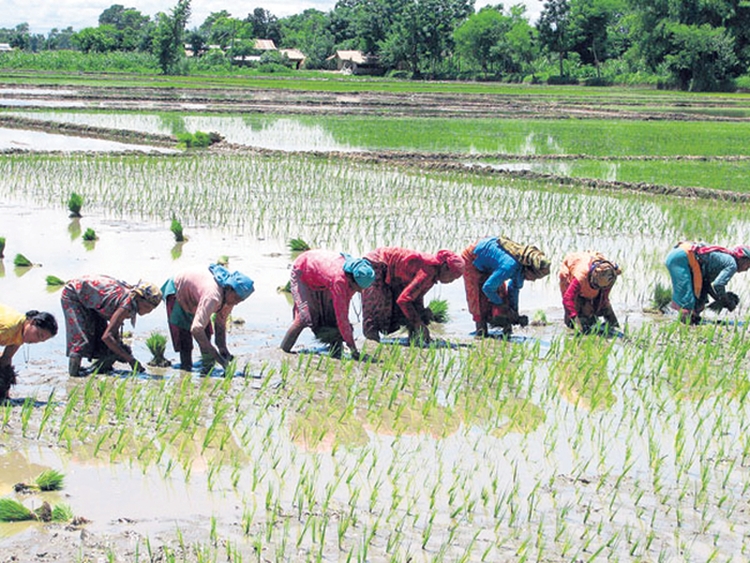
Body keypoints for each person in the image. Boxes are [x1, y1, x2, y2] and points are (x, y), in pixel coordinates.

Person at [281, 250, 375, 359]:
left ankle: (335, 352)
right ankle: (283, 351)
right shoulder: (339, 281)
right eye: (360, 288)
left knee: (332, 316)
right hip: (302, 271)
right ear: (353, 281)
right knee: (304, 317)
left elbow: (341, 313)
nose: (361, 291)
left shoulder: (354, 274)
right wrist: (354, 350)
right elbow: (342, 317)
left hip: (321, 278)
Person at [61, 275, 162, 377]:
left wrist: (120, 349)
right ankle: (74, 374)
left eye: (151, 309)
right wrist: (130, 360)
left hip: (91, 299)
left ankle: (99, 369)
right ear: (138, 298)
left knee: (102, 336)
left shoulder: (130, 301)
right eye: (147, 307)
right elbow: (107, 337)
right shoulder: (126, 305)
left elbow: (113, 329)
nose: (148, 311)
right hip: (74, 294)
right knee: (80, 337)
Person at [362, 247, 464, 343]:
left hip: (394, 274)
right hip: (377, 263)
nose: (451, 281)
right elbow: (404, 300)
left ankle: (414, 339)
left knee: (414, 311)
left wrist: (422, 316)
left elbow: (416, 298)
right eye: (452, 276)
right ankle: (372, 345)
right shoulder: (427, 271)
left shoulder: (433, 275)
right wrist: (419, 324)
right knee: (375, 310)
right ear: (445, 267)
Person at [162, 264, 254, 371]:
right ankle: (186, 369)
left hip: (197, 294)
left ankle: (207, 368)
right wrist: (218, 358)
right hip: (179, 290)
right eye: (236, 298)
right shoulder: (213, 296)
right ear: (229, 289)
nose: (237, 303)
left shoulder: (229, 300)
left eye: (240, 300)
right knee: (185, 339)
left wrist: (222, 347)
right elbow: (196, 329)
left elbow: (220, 324)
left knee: (206, 334)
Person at [463, 236, 550, 337]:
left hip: (490, 261)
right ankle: (481, 331)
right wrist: (502, 306)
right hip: (474, 256)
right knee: (478, 298)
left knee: (501, 294)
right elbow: (487, 288)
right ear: (528, 269)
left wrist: (514, 313)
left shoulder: (521, 268)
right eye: (535, 276)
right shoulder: (509, 267)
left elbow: (513, 289)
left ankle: (506, 331)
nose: (534, 280)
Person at [665, 242, 750, 324]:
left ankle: (690, 320)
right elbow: (718, 284)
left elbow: (706, 283)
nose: (747, 269)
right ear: (743, 259)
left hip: (682, 256)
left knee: (700, 300)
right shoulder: (732, 265)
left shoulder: (726, 260)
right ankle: (685, 327)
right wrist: (726, 300)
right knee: (687, 302)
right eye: (748, 265)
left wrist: (719, 299)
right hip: (682, 258)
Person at [0, 305, 58, 401]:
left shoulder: (22, 332)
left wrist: (5, 394)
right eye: (38, 335)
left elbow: (6, 358)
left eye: (41, 341)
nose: (36, 341)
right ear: (32, 322)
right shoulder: (9, 328)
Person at [559, 251, 621, 333]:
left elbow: (604, 298)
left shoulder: (610, 274)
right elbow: (567, 299)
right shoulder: (580, 277)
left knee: (598, 308)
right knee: (572, 318)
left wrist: (614, 324)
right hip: (573, 266)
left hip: (591, 260)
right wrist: (576, 323)